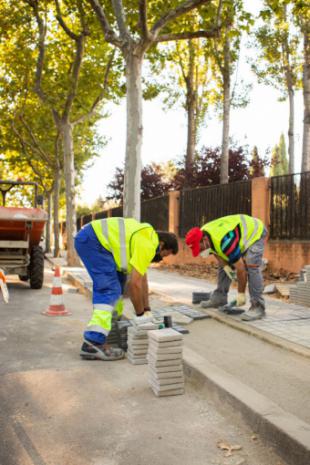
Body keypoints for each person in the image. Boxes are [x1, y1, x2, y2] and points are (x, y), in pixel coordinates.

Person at [75, 217, 178, 360]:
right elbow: (134, 285)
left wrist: (147, 309)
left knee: (119, 282)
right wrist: (140, 316)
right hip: (93, 241)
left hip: (95, 240)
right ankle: (93, 343)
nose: (161, 259)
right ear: (162, 244)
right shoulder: (148, 244)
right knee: (109, 289)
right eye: (164, 254)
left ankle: (111, 331)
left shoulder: (146, 237)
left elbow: (143, 279)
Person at [185, 214, 267, 321]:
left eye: (198, 248)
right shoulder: (203, 233)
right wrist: (227, 268)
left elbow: (241, 269)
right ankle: (220, 297)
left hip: (255, 232)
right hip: (237, 236)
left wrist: (241, 294)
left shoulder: (225, 241)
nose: (199, 252)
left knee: (252, 265)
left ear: (204, 240)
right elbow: (216, 252)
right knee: (223, 263)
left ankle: (258, 307)